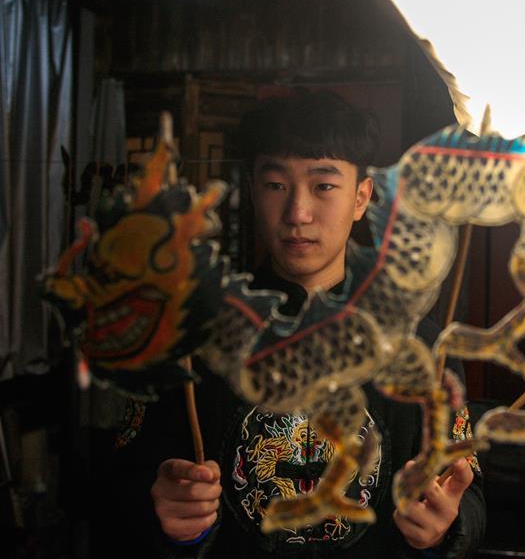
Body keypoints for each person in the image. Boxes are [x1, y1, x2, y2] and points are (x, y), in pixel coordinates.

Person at [144, 91, 485, 558]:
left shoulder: (422, 348)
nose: (298, 214)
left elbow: (470, 493)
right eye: (276, 185)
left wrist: (444, 529)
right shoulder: (192, 340)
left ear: (361, 197)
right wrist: (172, 520)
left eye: (323, 186)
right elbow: (122, 477)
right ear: (253, 190)